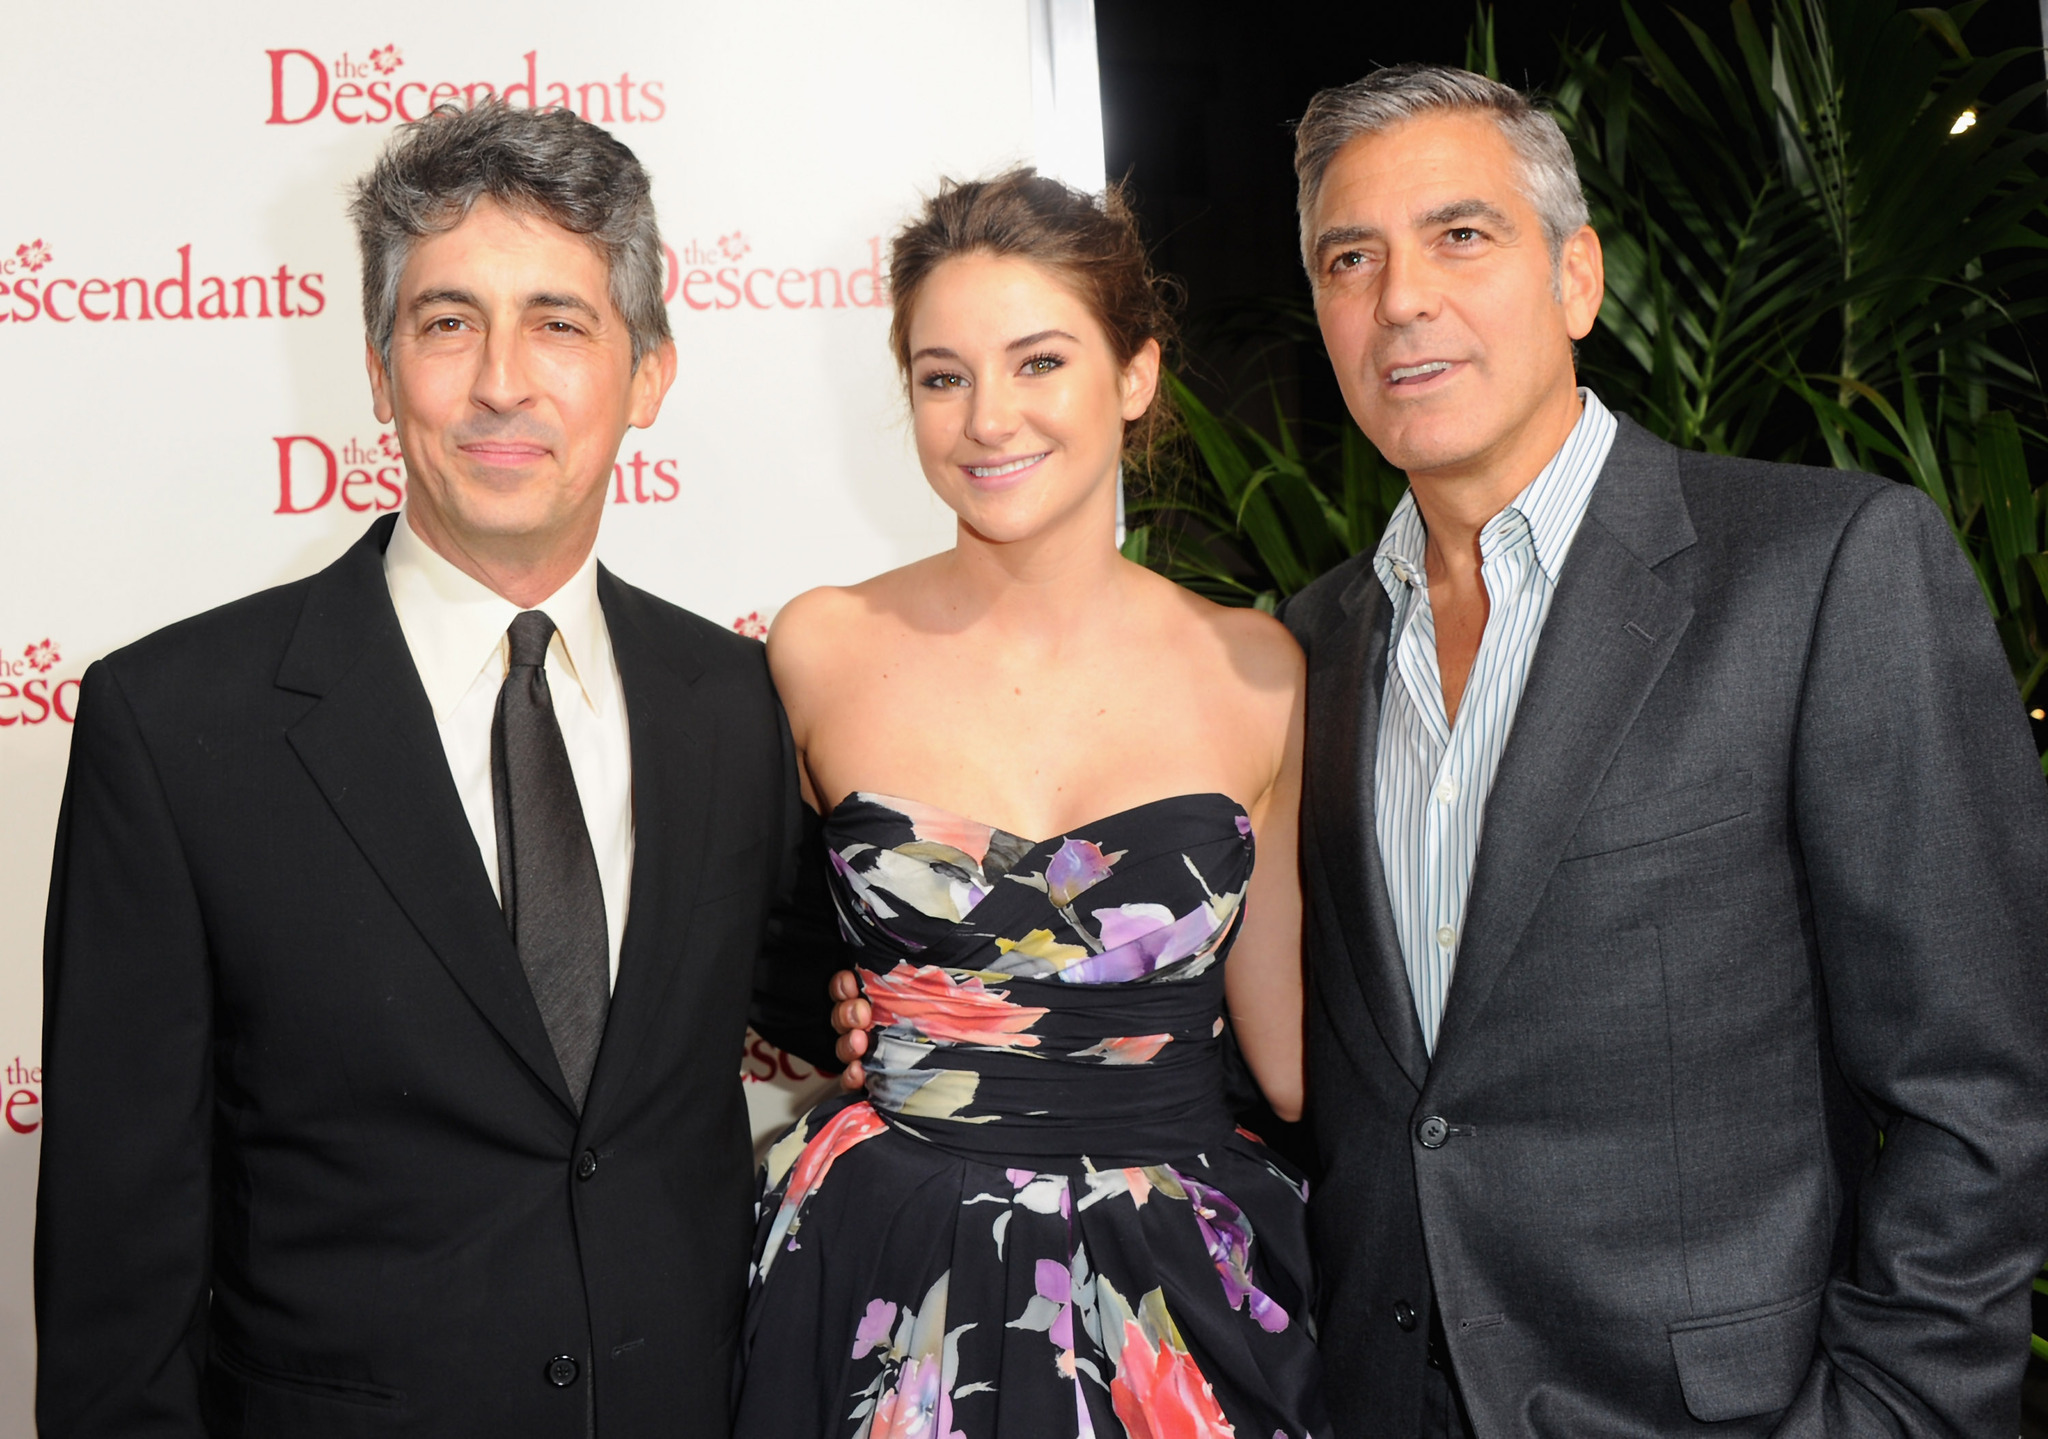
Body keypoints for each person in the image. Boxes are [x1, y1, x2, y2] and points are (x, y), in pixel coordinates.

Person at [35, 100, 836, 1436]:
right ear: (376, 365)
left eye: (560, 323)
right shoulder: (173, 726)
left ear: (648, 373)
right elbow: (118, 1256)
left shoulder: (742, 706)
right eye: (448, 320)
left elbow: (832, 998)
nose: (502, 381)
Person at [1274, 65, 2048, 1438]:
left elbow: (1979, 1083)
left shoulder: (1824, 570)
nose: (1401, 298)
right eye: (1352, 256)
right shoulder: (1309, 646)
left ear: (1578, 278)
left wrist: (1893, 1412)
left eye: (1462, 235)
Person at [736, 168, 1327, 1438]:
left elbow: (1289, 1059)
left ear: (1134, 375)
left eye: (1038, 361)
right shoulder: (818, 647)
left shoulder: (1258, 669)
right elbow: (740, 937)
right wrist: (832, 1003)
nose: (985, 417)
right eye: (941, 374)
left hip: (1180, 1294)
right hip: (876, 1264)